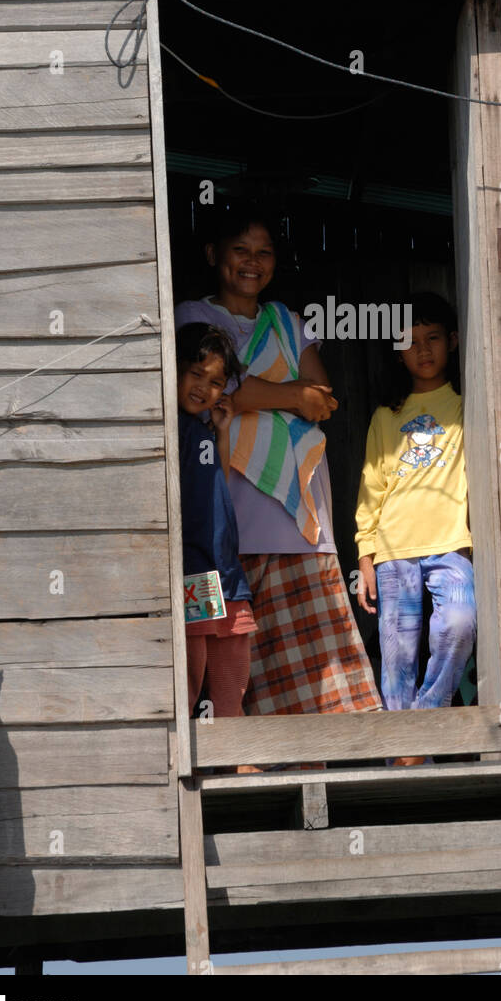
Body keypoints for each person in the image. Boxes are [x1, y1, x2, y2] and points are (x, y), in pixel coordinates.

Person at [175, 205, 380, 720]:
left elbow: (323, 399)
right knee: (233, 652)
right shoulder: (193, 318)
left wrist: (271, 395)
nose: (252, 262)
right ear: (212, 255)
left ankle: (323, 754)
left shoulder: (287, 321)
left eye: (264, 252)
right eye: (240, 250)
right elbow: (229, 392)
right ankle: (244, 756)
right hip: (228, 514)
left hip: (297, 514)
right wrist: (289, 394)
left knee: (315, 660)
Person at [355, 292, 476, 766]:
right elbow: (371, 485)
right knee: (398, 654)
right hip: (393, 547)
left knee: (460, 623)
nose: (422, 350)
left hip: (452, 544)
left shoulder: (468, 407)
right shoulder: (387, 414)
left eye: (432, 339)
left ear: (453, 341)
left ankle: (425, 720)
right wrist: (365, 553)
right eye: (410, 341)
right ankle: (401, 758)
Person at [176, 322, 257, 740]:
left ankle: (235, 754)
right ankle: (191, 758)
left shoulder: (204, 430)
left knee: (232, 667)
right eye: (195, 374)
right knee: (191, 670)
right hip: (195, 569)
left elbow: (218, 480)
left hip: (225, 570)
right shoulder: (170, 429)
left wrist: (222, 432)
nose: (203, 388)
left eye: (215, 382)